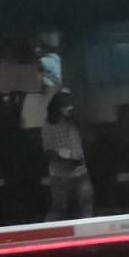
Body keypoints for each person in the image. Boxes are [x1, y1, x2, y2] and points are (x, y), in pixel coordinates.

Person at [42, 89, 93, 221]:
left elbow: (86, 138)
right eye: (65, 104)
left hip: (81, 171)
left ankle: (87, 228)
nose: (69, 107)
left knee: (86, 202)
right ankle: (48, 229)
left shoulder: (73, 122)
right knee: (60, 206)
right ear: (57, 106)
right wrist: (64, 162)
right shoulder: (49, 126)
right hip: (60, 174)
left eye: (70, 104)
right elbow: (48, 151)